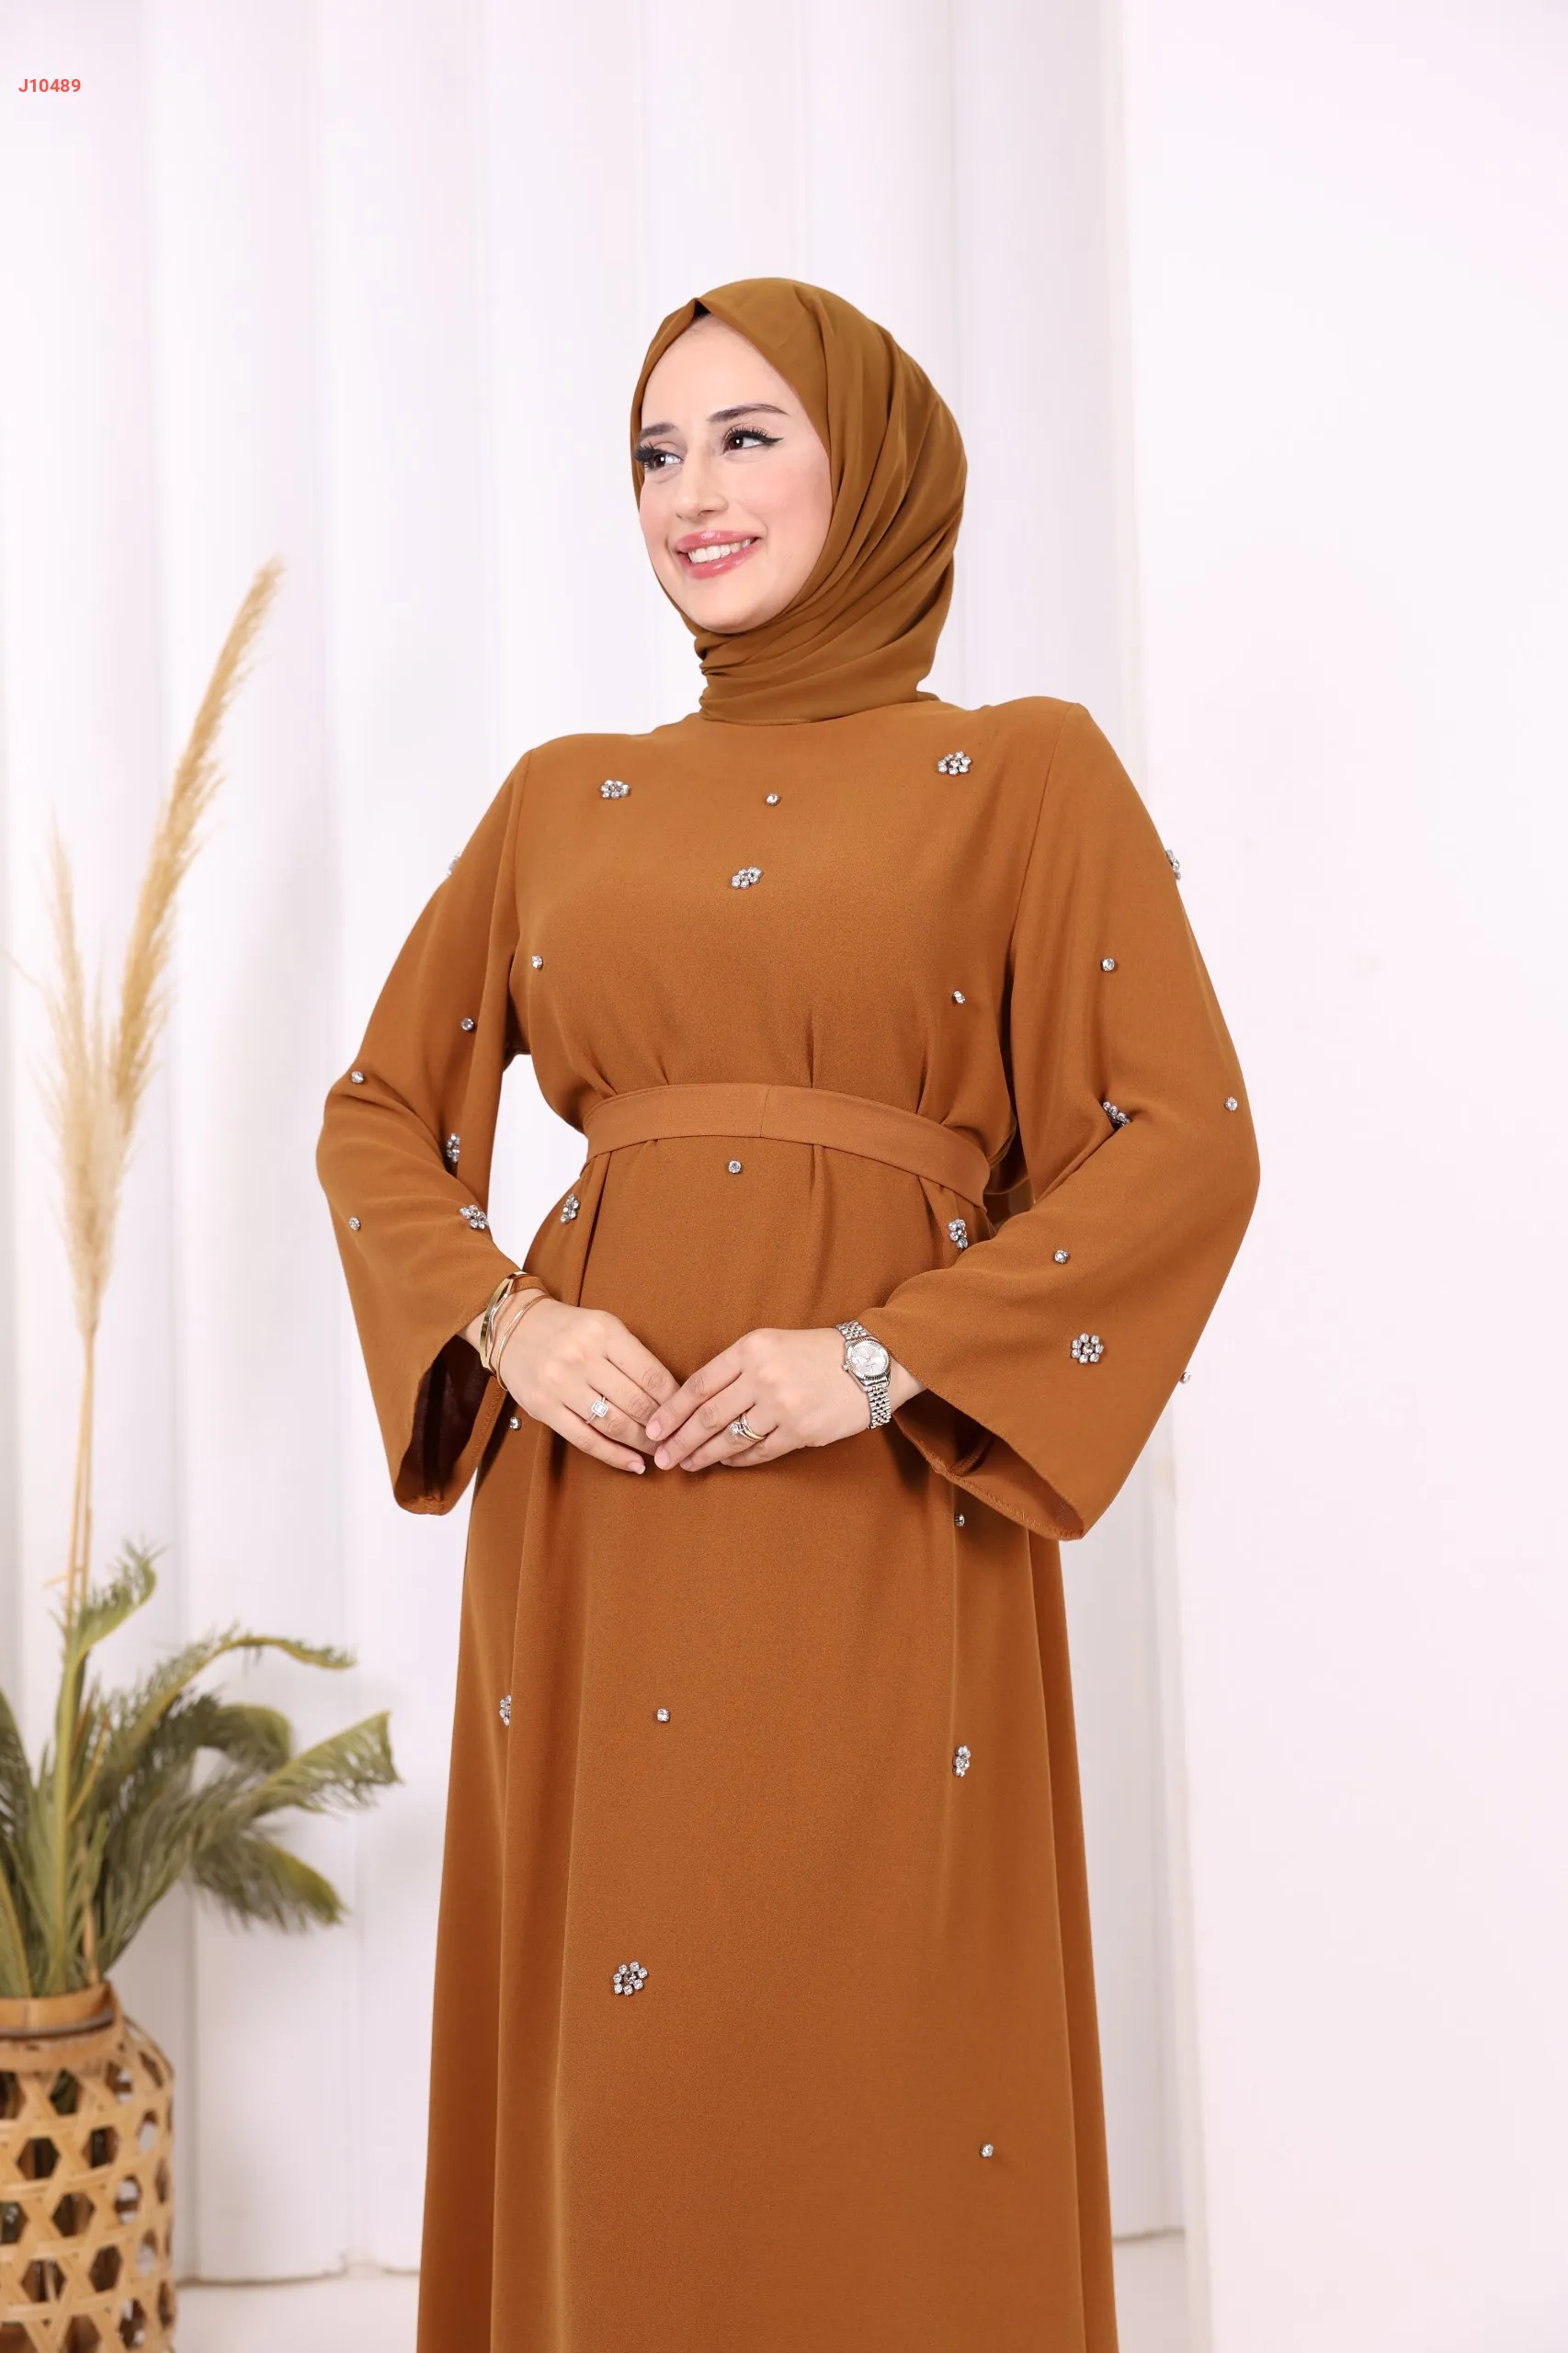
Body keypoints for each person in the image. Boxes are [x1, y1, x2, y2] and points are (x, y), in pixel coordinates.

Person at [315, 275, 1258, 2353]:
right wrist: (505, 1322)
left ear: (872, 465)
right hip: (595, 1505)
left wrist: (879, 1357)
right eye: (655, 452)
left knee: (870, 2036)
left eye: (746, 435)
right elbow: (381, 1108)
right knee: (621, 2048)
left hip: (878, 1500)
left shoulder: (1022, 771)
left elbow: (1182, 1139)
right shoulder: (563, 793)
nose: (691, 492)